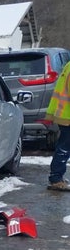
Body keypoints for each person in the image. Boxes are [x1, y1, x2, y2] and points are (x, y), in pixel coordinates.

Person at [46, 61, 70, 191]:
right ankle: (56, 179)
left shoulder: (68, 65)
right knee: (64, 148)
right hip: (67, 116)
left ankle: (57, 177)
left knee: (64, 147)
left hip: (64, 114)